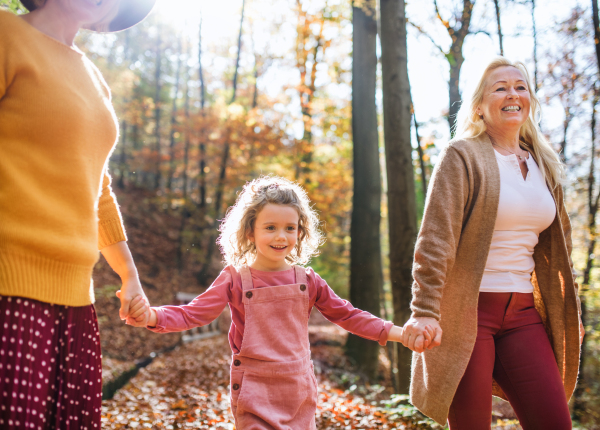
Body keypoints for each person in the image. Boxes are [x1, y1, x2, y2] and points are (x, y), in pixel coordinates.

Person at [128, 176, 433, 429]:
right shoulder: (236, 278)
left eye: (290, 228)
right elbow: (194, 313)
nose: (281, 236)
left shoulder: (307, 280)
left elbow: (348, 316)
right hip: (254, 388)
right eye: (270, 227)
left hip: (297, 389)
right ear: (251, 230)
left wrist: (398, 333)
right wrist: (152, 316)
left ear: (300, 231)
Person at [400, 57, 583, 429]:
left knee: (554, 421)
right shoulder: (462, 156)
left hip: (523, 315)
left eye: (520, 86)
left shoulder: (544, 166)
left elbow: (561, 250)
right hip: (468, 313)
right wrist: (424, 310)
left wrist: (570, 308)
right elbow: (436, 240)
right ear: (480, 106)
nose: (512, 94)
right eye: (500, 87)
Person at [0, 0, 154, 427]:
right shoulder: (6, 34)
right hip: (10, 292)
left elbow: (97, 189)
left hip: (76, 303)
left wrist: (129, 274)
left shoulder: (96, 81)